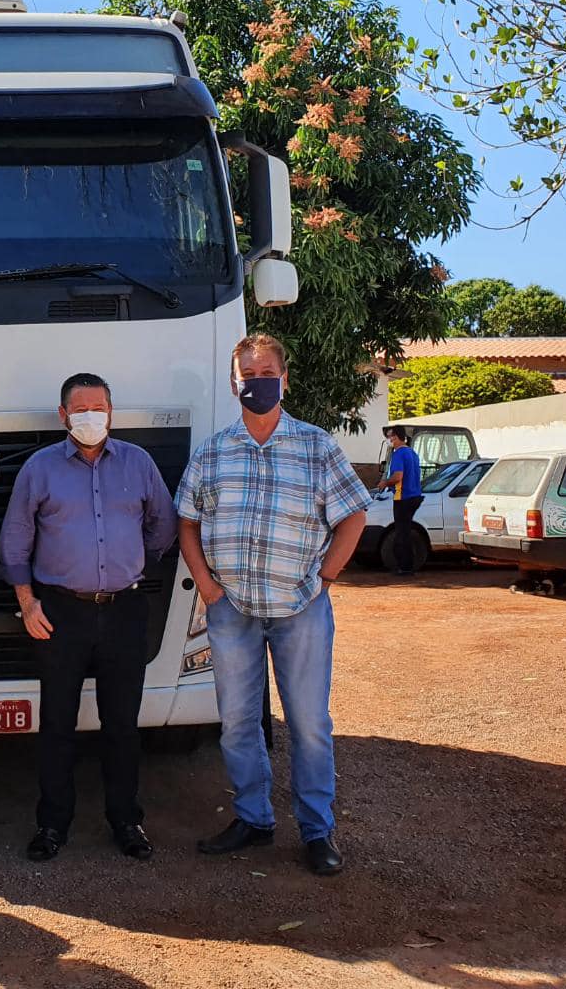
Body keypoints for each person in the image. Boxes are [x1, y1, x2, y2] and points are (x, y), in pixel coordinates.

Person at [174, 334, 369, 876]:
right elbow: (186, 521)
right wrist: (208, 588)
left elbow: (354, 514)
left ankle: (316, 831)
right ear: (233, 381)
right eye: (246, 373)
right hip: (231, 608)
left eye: (265, 372)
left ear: (284, 379)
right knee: (237, 722)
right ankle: (253, 819)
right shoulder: (213, 451)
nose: (255, 381)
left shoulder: (317, 446)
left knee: (309, 723)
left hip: (300, 607)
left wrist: (327, 576)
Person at [0, 373, 177, 863]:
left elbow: (163, 524)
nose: (91, 417)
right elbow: (14, 542)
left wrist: (134, 563)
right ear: (63, 416)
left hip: (125, 611)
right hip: (58, 613)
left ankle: (126, 820)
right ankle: (52, 824)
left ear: (112, 412)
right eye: (81, 410)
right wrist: (27, 602)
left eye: (99, 407)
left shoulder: (138, 464)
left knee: (122, 724)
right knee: (57, 723)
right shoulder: (40, 469)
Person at [376, 425, 424, 576]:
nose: (390, 440)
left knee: (402, 533)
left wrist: (384, 483)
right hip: (414, 495)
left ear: (396, 437)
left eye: (391, 437)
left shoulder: (399, 454)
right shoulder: (413, 453)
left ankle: (405, 566)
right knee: (405, 531)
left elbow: (397, 477)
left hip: (402, 497)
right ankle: (407, 565)